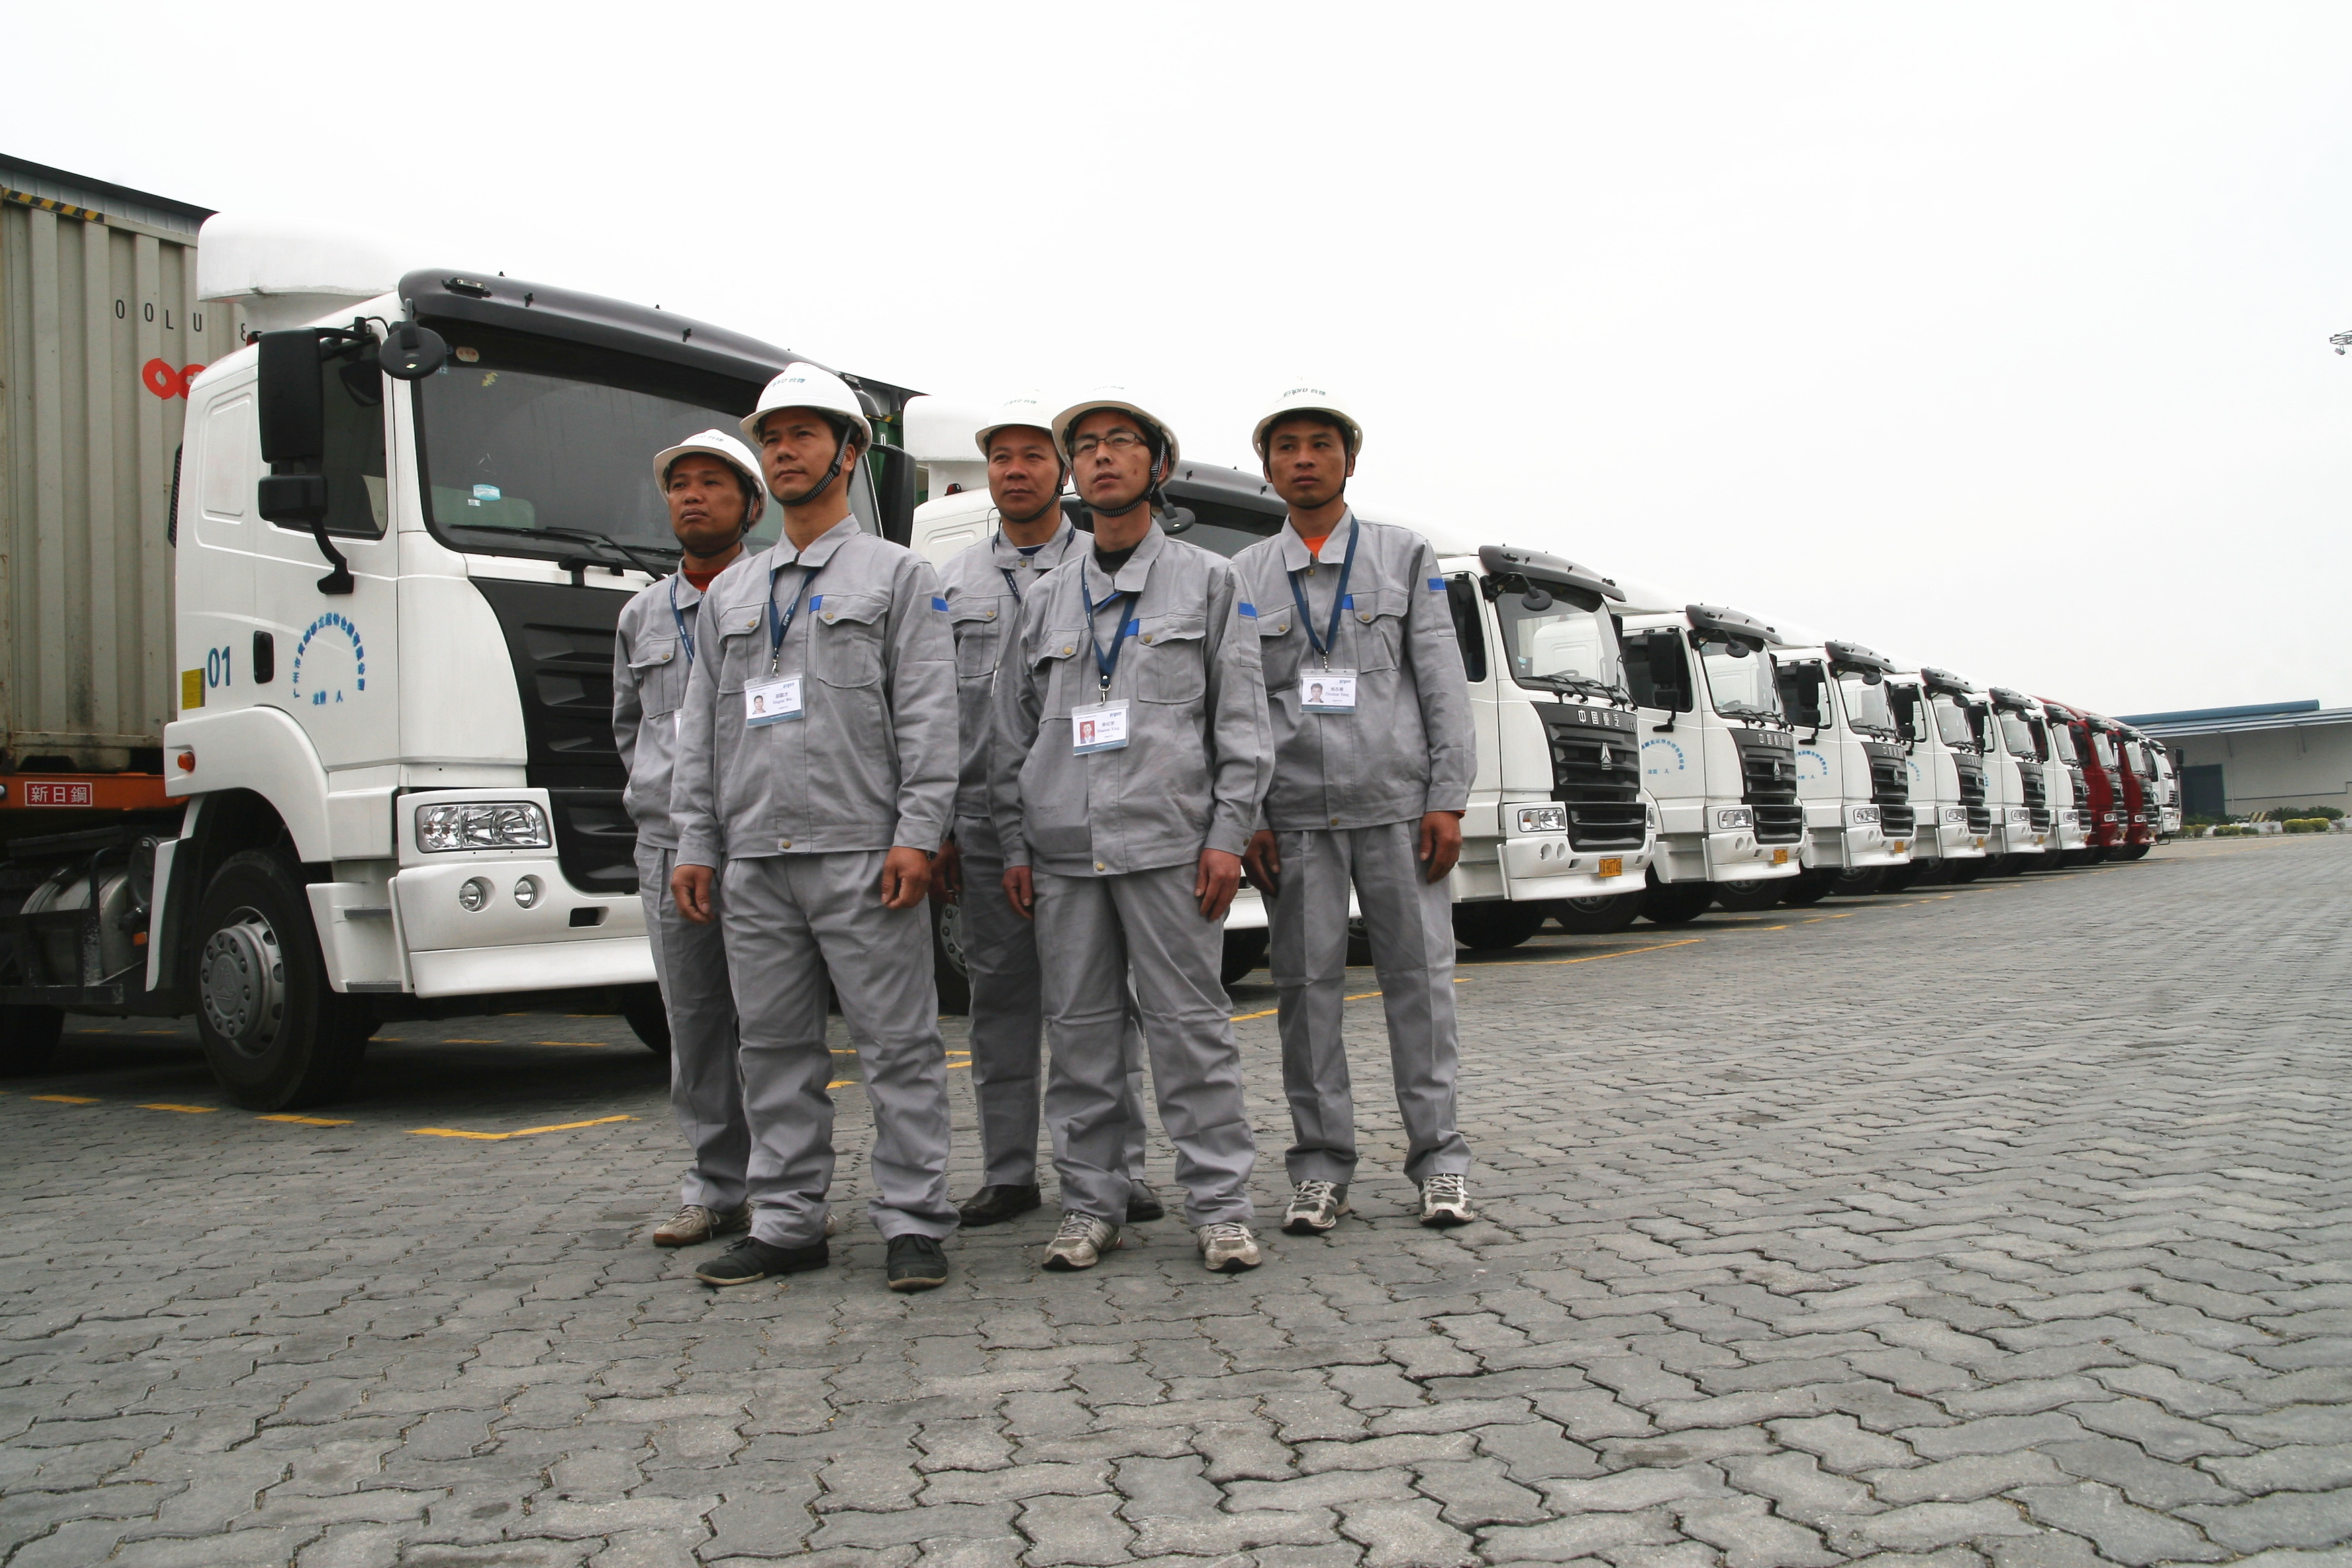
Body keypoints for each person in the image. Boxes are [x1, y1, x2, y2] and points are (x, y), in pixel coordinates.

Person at [670, 362, 961, 1293]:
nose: (784, 450)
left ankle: (914, 1220)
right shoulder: (732, 593)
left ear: (848, 451)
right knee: (772, 1051)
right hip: (756, 858)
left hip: (863, 854)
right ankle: (788, 1221)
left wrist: (919, 832)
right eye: (772, 436)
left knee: (898, 1045)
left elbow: (929, 714)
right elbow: (702, 730)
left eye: (803, 433)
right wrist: (696, 841)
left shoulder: (900, 575)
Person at [991, 388, 1271, 1273]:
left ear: (1160, 465)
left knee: (1190, 1030)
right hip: (1065, 853)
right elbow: (1011, 735)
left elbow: (1243, 725)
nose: (1102, 457)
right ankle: (1092, 1202)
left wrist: (1227, 836)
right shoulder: (1045, 599)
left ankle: (1220, 1207)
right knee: (1079, 1035)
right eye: (1086, 446)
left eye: (1120, 442)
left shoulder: (1210, 582)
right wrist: (1015, 845)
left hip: (1169, 849)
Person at [1232, 386, 1477, 1234]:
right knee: (1305, 994)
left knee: (1422, 986)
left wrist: (1447, 797)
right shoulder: (1244, 575)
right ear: (1268, 467)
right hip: (1295, 816)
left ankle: (1440, 1161)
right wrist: (1251, 815)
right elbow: (1237, 705)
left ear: (1349, 459)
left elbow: (1441, 680)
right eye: (1287, 446)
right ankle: (1320, 1166)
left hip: (1398, 810)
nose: (1304, 459)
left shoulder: (1404, 555)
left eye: (1320, 444)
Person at [934, 395, 1161, 1228]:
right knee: (997, 1001)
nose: (1016, 471)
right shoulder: (950, 581)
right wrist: (942, 827)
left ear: (1061, 470)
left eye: (1034, 456)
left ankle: (1120, 1171)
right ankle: (1007, 1171)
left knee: (1102, 1003)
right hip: (984, 825)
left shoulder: (1100, 565)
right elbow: (932, 714)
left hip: (1086, 818)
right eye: (1002, 458)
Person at [614, 430, 764, 1249]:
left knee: (771, 1021)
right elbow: (629, 727)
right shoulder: (640, 614)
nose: (693, 496)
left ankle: (782, 1189)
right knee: (695, 1021)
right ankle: (716, 1187)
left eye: (712, 482)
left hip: (757, 840)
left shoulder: (771, 597)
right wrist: (660, 797)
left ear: (751, 505)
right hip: (670, 848)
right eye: (681, 485)